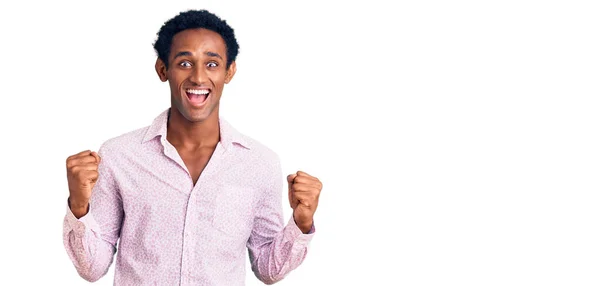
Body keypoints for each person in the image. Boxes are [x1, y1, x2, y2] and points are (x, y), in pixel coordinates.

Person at [63, 9, 322, 285]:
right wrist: (79, 205)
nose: (198, 78)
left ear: (229, 71)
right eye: (185, 63)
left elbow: (268, 269)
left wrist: (301, 222)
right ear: (163, 69)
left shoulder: (260, 163)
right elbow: (92, 268)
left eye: (212, 64)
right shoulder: (120, 156)